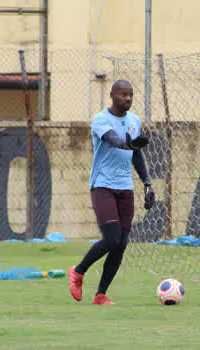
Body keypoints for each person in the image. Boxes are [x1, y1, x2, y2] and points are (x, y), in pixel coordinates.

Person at [68, 79, 155, 305]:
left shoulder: (134, 121)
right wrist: (129, 145)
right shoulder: (101, 120)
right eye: (123, 95)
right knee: (111, 238)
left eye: (131, 95)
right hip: (103, 185)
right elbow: (113, 140)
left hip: (125, 187)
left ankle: (100, 295)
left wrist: (147, 183)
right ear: (112, 95)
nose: (128, 99)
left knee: (122, 243)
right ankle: (78, 272)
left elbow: (136, 155)